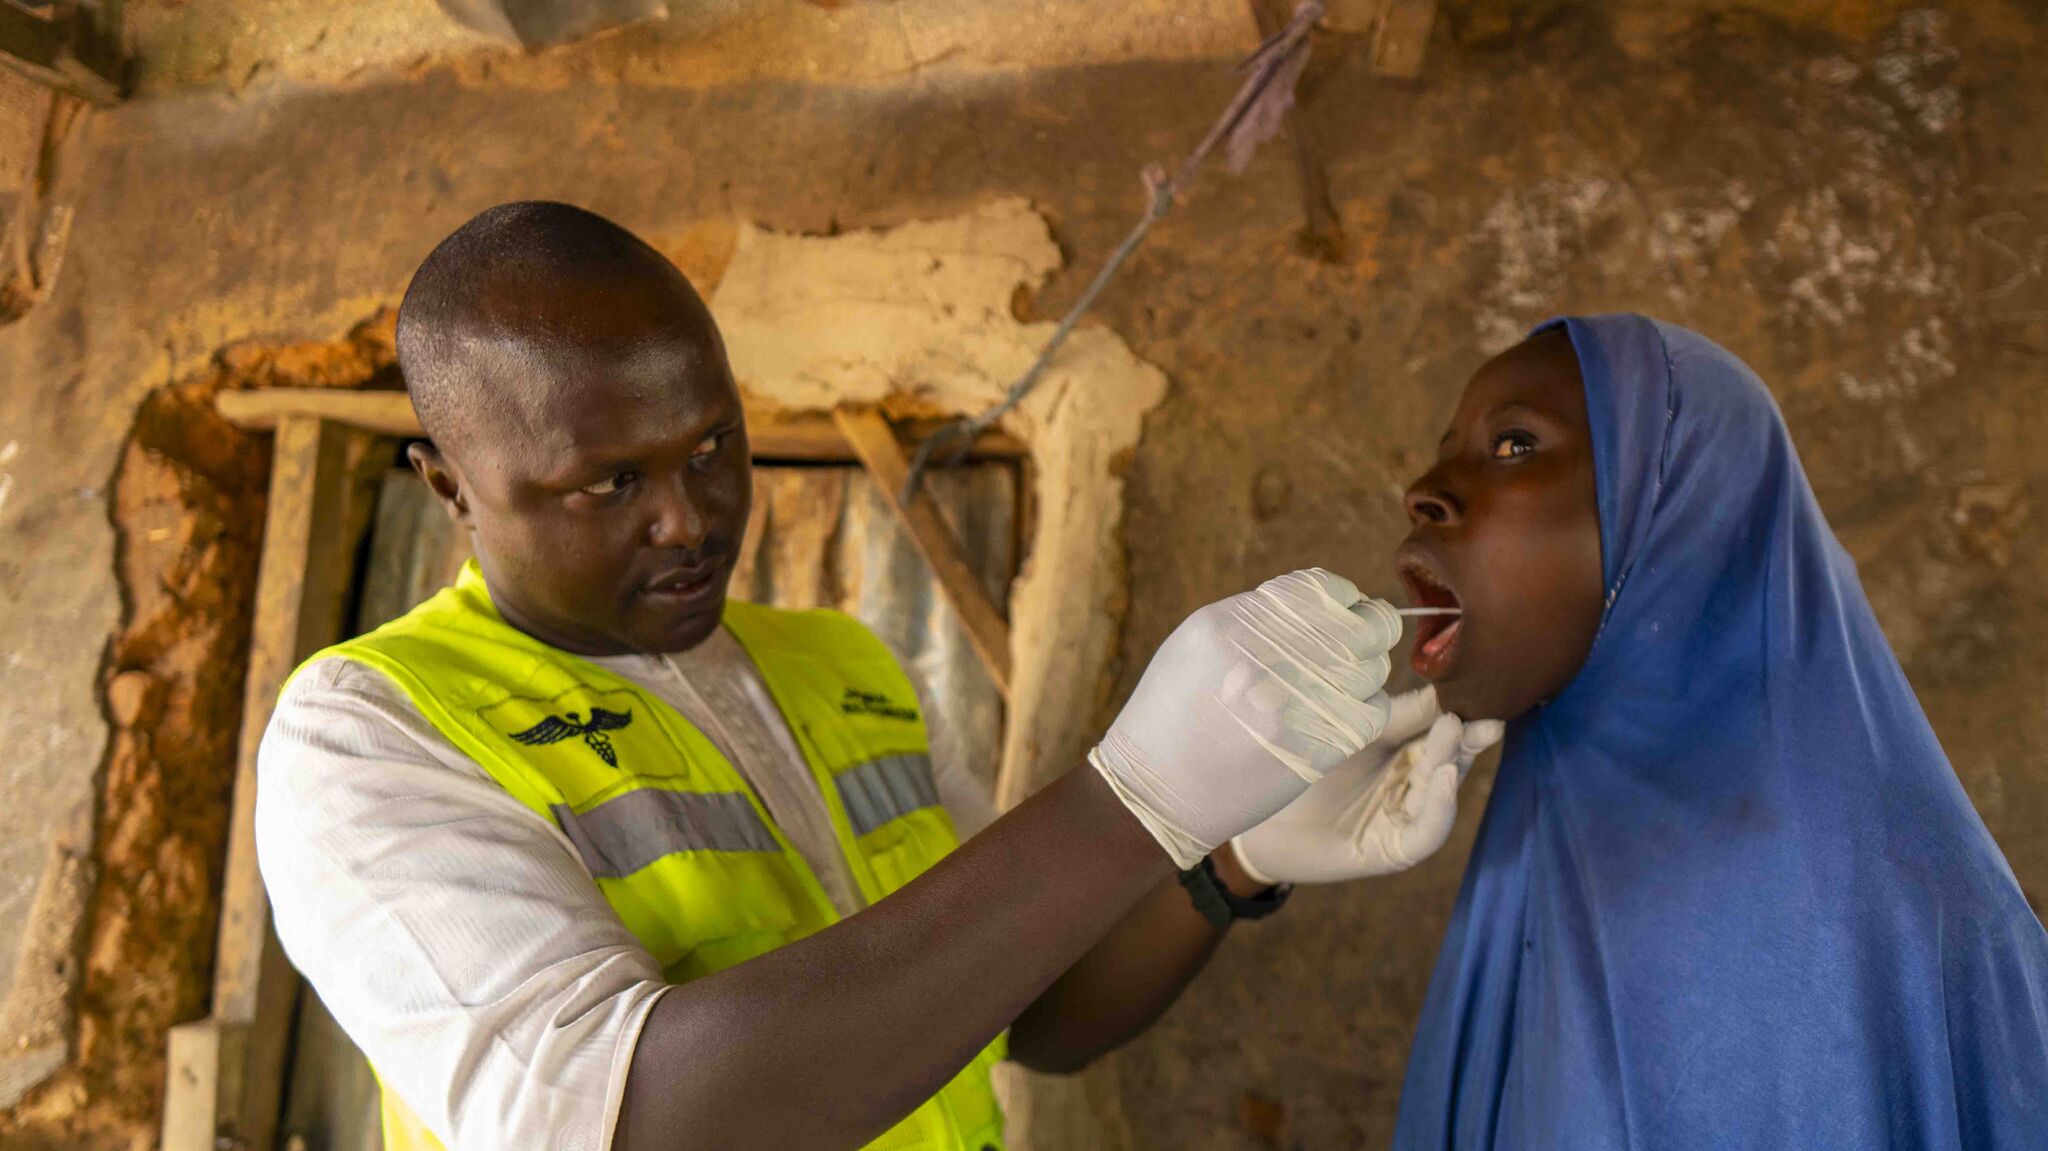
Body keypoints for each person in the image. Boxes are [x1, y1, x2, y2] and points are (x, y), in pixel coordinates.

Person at [252, 201, 1499, 1151]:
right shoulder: (367, 736)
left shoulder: (844, 666)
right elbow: (633, 1120)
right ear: (450, 486)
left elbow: (1037, 1014)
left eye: (714, 446)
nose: (688, 519)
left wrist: (1230, 861)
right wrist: (1131, 803)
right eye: (608, 482)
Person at [1386, 314, 2048, 1149]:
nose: (1423, 487)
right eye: (1448, 448)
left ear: (1683, 519)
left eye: (1514, 445)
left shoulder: (1903, 930)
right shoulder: (1529, 851)